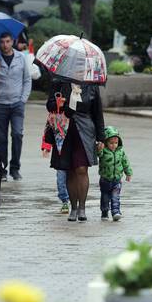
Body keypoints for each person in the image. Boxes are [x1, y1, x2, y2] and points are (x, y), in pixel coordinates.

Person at [46, 81, 105, 222]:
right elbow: (49, 105)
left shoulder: (91, 85)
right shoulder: (58, 82)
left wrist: (100, 137)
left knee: (81, 169)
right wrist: (61, 103)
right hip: (64, 130)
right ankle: (73, 207)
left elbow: (98, 112)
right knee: (70, 169)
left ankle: (82, 208)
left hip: (85, 130)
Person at [0, 32, 31, 181]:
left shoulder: (21, 57)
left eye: (7, 41)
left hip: (17, 103)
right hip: (0, 103)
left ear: (12, 41)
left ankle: (15, 168)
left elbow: (27, 79)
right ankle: (2, 169)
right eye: (2, 42)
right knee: (1, 138)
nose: (5, 45)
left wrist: (23, 99)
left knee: (17, 134)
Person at [97, 126, 132, 222]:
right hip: (105, 179)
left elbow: (125, 162)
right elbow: (98, 154)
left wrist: (128, 173)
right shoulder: (103, 151)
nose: (113, 145)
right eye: (111, 143)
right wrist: (99, 149)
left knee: (115, 197)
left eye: (116, 143)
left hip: (117, 180)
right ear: (106, 142)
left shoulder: (121, 152)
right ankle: (104, 213)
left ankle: (116, 212)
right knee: (105, 197)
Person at [41, 130, 70, 214]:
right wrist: (46, 146)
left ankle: (75, 200)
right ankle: (65, 201)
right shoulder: (54, 117)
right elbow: (48, 130)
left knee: (73, 179)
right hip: (59, 155)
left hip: (73, 152)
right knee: (61, 181)